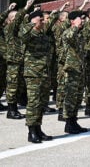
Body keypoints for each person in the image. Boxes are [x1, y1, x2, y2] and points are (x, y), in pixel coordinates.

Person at [21, 9, 53, 143]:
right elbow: (22, 35)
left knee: (41, 103)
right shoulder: (29, 34)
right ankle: (31, 131)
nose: (44, 22)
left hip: (44, 73)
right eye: (41, 19)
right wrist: (31, 23)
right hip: (33, 74)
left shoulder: (44, 36)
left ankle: (38, 128)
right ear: (35, 21)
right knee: (33, 103)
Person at [5, 0, 34, 119]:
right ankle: (11, 110)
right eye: (17, 18)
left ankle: (15, 108)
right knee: (13, 85)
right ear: (11, 20)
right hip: (13, 62)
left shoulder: (18, 30)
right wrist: (26, 7)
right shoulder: (10, 28)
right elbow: (18, 20)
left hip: (20, 60)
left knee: (19, 85)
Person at [62, 11, 88, 134]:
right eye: (80, 19)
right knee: (70, 97)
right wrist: (75, 27)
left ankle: (74, 120)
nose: (82, 21)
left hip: (80, 69)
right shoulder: (68, 32)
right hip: (72, 69)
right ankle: (68, 123)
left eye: (83, 19)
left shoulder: (80, 35)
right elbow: (69, 37)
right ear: (72, 21)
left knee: (77, 97)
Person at [0, 2, 17, 111]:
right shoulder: (4, 29)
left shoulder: (12, 30)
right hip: (1, 58)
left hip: (8, 59)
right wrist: (8, 10)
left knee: (3, 82)